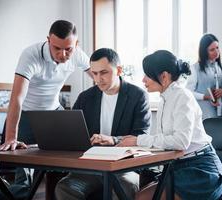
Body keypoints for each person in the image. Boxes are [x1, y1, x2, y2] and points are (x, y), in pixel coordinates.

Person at [0, 20, 93, 198]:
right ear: (48, 40)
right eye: (56, 48)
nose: (62, 54)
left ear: (76, 45)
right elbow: (17, 98)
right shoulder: (30, 55)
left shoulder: (78, 55)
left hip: (54, 112)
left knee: (72, 156)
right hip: (27, 113)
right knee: (24, 179)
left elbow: (99, 76)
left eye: (68, 49)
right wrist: (11, 137)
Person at [118, 50, 222, 200]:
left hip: (201, 170)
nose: (143, 80)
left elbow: (180, 142)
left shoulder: (182, 97)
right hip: (179, 166)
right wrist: (133, 144)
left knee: (143, 197)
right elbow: (164, 139)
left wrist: (138, 140)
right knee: (140, 194)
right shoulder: (165, 98)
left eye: (147, 75)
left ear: (164, 76)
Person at [55, 48, 151, 200]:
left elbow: (142, 136)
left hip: (124, 168)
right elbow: (71, 131)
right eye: (94, 73)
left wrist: (114, 139)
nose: (98, 78)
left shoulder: (138, 96)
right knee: (65, 188)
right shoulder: (86, 97)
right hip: (91, 167)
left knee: (126, 185)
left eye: (104, 72)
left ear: (119, 70)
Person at [186, 33, 222, 119]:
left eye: (217, 48)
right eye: (212, 50)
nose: (216, 52)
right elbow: (188, 92)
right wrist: (205, 97)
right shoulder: (195, 69)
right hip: (204, 115)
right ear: (204, 52)